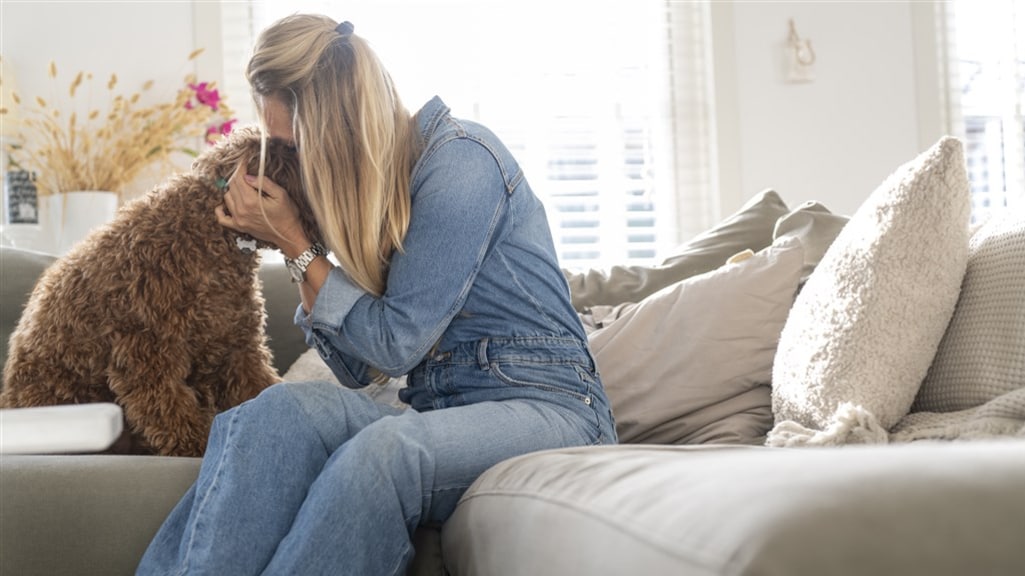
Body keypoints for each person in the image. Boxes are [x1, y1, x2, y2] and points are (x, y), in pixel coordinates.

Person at [137, 13, 616, 576]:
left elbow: (395, 348)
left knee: (381, 456)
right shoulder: (376, 197)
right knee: (277, 411)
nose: (290, 164)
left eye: (292, 146)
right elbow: (357, 370)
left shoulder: (461, 162)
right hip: (440, 409)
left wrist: (294, 240)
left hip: (549, 407)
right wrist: (300, 246)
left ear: (331, 129)